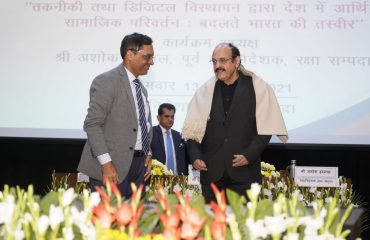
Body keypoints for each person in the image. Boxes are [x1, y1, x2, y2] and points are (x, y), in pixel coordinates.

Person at [182, 43, 288, 203]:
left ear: (236, 61)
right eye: (214, 61)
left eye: (223, 60)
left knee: (242, 225)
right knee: (212, 226)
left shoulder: (257, 88)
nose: (218, 66)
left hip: (244, 173)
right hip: (211, 174)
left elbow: (266, 127)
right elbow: (192, 131)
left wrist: (249, 155)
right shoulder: (205, 92)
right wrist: (195, 156)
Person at [78, 32, 154, 198]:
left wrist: (147, 153)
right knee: (109, 221)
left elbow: (143, 125)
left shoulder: (141, 89)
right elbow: (92, 124)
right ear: (129, 55)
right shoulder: (107, 81)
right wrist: (106, 163)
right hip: (112, 168)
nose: (151, 62)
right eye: (147, 57)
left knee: (134, 221)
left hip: (138, 167)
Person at [151, 103, 189, 175]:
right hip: (157, 180)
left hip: (178, 181)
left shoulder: (179, 136)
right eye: (166, 116)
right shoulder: (151, 133)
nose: (170, 119)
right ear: (158, 118)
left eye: (172, 116)